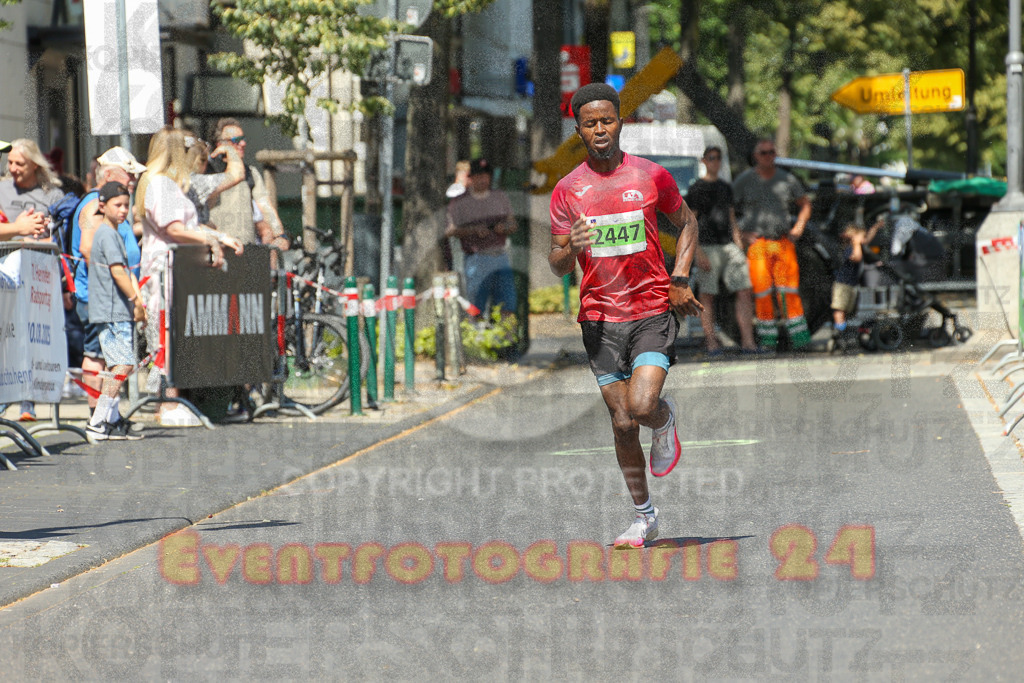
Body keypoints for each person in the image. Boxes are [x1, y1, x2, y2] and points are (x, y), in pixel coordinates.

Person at [548, 83, 703, 548]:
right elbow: (555, 261)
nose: (600, 129)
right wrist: (568, 248)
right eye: (590, 123)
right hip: (598, 318)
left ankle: (663, 417)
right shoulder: (567, 190)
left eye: (608, 120)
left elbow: (688, 222)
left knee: (640, 406)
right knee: (621, 423)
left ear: (620, 122)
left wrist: (679, 276)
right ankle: (643, 516)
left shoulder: (651, 176)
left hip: (651, 308)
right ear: (578, 129)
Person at [135, 126, 243, 427]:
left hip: (181, 270)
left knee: (179, 335)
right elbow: (173, 229)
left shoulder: (169, 185)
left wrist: (219, 237)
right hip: (165, 271)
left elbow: (188, 226)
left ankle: (178, 397)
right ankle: (168, 401)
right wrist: (210, 240)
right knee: (166, 334)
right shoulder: (159, 184)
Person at [71, 147, 147, 419]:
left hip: (111, 296)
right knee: (100, 357)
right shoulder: (95, 204)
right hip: (100, 297)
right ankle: (98, 418)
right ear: (110, 173)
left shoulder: (112, 204)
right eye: (129, 173)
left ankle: (108, 417)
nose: (132, 179)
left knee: (115, 360)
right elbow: (89, 248)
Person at [0, 138, 64, 421]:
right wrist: (19, 230)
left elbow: (62, 237)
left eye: (19, 163)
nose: (12, 168)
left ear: (36, 165)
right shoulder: (1, 190)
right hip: (7, 276)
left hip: (38, 278)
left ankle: (28, 403)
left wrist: (44, 236)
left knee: (33, 338)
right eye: (10, 162)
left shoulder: (52, 196)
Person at [732, 138, 813, 350]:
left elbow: (805, 204)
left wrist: (799, 227)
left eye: (771, 152)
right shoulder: (745, 180)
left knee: (789, 291)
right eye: (763, 153)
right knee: (762, 292)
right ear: (756, 156)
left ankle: (800, 340)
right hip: (758, 244)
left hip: (783, 241)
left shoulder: (787, 179)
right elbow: (728, 206)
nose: (768, 156)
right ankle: (768, 341)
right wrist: (739, 234)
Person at [84, 182, 146, 440]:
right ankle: (98, 421)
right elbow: (118, 271)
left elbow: (126, 271)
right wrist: (135, 299)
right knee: (123, 364)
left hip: (116, 308)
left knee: (118, 365)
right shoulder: (107, 234)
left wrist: (136, 301)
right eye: (117, 205)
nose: (123, 210)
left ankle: (109, 420)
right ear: (102, 206)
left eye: (126, 205)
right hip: (111, 310)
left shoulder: (115, 233)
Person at [687, 146, 757, 356]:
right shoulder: (697, 188)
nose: (715, 162)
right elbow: (690, 220)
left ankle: (748, 342)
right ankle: (711, 342)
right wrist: (697, 252)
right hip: (707, 246)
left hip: (728, 245)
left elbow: (731, 218)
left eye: (718, 158)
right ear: (704, 161)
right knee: (707, 295)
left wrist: (738, 244)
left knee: (744, 290)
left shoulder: (725, 187)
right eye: (711, 158)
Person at [446, 158, 517, 319]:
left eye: (486, 176)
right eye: (479, 176)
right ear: (471, 178)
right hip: (475, 258)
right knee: (476, 304)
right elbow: (450, 229)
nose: (483, 179)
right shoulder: (460, 201)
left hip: (500, 256)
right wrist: (473, 230)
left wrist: (503, 227)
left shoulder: (499, 197)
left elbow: (512, 223)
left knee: (507, 302)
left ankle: (505, 339)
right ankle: (477, 336)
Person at [206, 118, 289, 251]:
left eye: (243, 138)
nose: (243, 143)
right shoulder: (207, 173)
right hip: (217, 251)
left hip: (245, 250)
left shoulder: (251, 173)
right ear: (220, 144)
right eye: (236, 141)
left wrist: (280, 234)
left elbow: (265, 206)